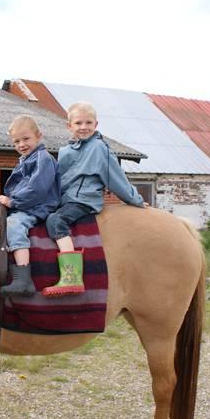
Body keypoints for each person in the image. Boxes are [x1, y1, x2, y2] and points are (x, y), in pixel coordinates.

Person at [43, 102, 147, 298]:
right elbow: (59, 180)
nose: (84, 127)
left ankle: (71, 276)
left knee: (55, 221)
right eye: (78, 122)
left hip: (84, 200)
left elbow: (116, 178)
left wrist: (136, 200)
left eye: (88, 122)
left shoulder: (100, 148)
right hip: (66, 199)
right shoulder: (65, 151)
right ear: (69, 126)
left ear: (96, 124)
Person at [0, 115, 60, 297]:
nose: (22, 144)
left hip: (38, 206)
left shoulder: (43, 158)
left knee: (14, 225)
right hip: (27, 204)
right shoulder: (25, 160)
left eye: (26, 139)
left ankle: (23, 279)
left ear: (38, 136)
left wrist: (13, 202)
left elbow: (37, 188)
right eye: (17, 141)